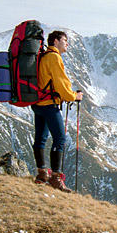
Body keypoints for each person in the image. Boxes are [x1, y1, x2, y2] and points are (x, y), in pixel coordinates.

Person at [32, 31, 83, 192]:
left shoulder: (43, 56)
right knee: (60, 138)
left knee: (40, 138)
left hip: (38, 103)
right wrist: (75, 96)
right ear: (56, 41)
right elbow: (62, 85)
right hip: (49, 105)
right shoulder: (54, 58)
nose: (67, 43)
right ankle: (55, 178)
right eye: (65, 40)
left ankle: (41, 174)